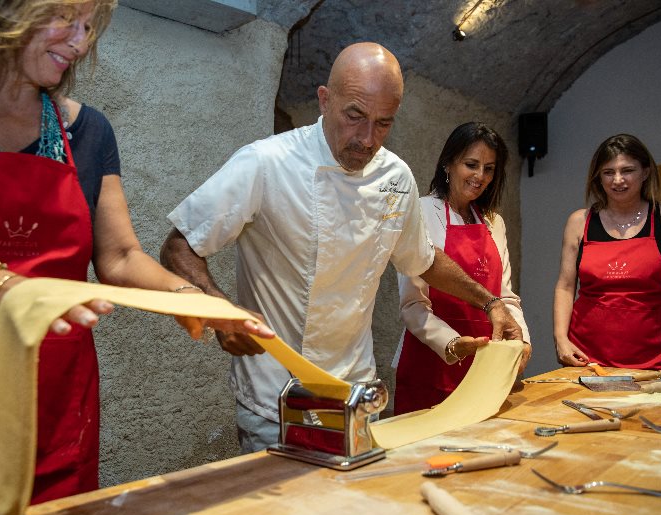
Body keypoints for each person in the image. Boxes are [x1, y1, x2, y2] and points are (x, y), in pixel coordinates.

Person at [0, 1, 271, 515]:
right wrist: (9, 289)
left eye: (89, 27)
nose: (79, 42)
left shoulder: (88, 131)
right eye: (65, 19)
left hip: (52, 414)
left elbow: (120, 257)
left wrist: (198, 301)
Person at [160, 42, 523, 453]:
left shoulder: (395, 176)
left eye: (383, 123)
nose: (367, 139)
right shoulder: (266, 162)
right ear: (325, 99)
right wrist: (218, 307)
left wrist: (491, 303)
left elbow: (422, 260)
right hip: (276, 398)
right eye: (355, 116)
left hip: (356, 395)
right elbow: (180, 245)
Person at [392, 122, 531, 415]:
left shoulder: (495, 222)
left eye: (489, 169)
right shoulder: (421, 212)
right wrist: (454, 344)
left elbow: (505, 296)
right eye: (471, 164)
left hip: (485, 367)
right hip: (432, 364)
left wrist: (521, 338)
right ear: (448, 163)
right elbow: (413, 305)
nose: (480, 176)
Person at [553, 134, 661, 372]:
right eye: (608, 172)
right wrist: (561, 340)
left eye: (627, 170)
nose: (618, 180)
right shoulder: (579, 222)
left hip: (657, 354)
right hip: (586, 355)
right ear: (598, 178)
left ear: (645, 171)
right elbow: (565, 286)